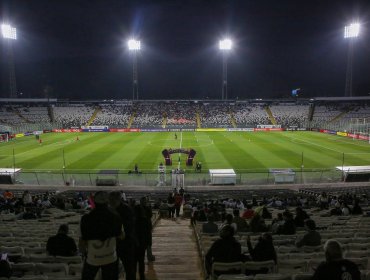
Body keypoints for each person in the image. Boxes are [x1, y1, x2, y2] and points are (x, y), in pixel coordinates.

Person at [79, 191, 124, 280]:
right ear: (107, 202)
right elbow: (122, 236)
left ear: (94, 202)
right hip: (111, 258)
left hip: (92, 259)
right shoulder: (116, 217)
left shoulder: (86, 219)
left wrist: (84, 254)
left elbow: (82, 243)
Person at [108, 191, 136, 280]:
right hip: (113, 244)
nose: (110, 202)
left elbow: (129, 227)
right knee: (113, 270)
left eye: (112, 200)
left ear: (118, 199)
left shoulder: (126, 210)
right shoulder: (109, 210)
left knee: (129, 269)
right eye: (110, 200)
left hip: (125, 244)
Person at [134, 198, 153, 280]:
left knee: (137, 260)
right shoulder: (145, 221)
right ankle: (141, 276)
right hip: (143, 240)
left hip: (137, 241)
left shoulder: (135, 221)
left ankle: (135, 275)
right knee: (141, 260)